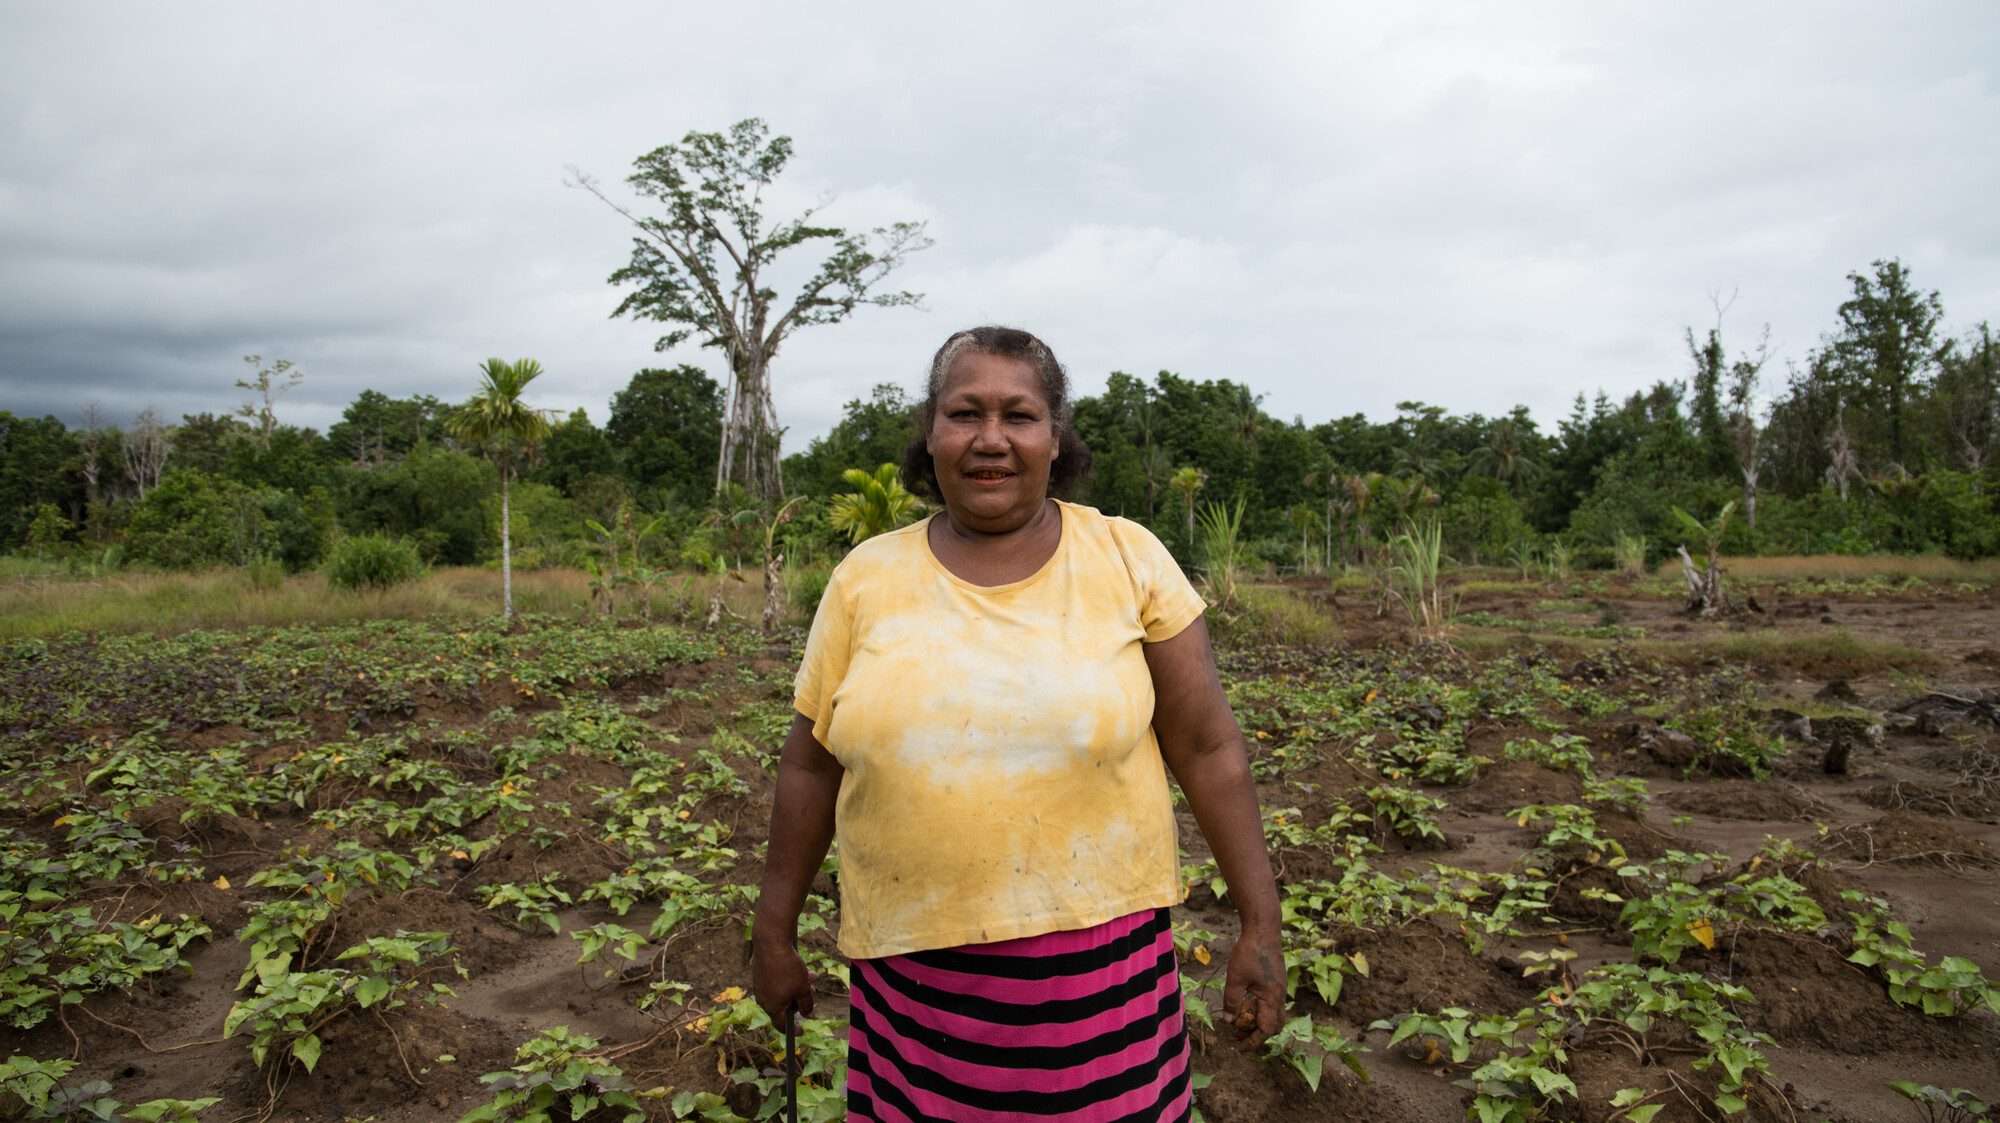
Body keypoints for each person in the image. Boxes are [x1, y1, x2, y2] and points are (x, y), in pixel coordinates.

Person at [751, 326, 1283, 1122]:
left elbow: (1209, 750)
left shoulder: (1125, 557)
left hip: (1100, 986)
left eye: (1019, 415)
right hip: (915, 992)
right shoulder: (865, 580)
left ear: (1055, 436)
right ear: (929, 432)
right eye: (965, 413)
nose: (990, 439)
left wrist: (1259, 921)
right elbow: (810, 767)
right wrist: (774, 929)